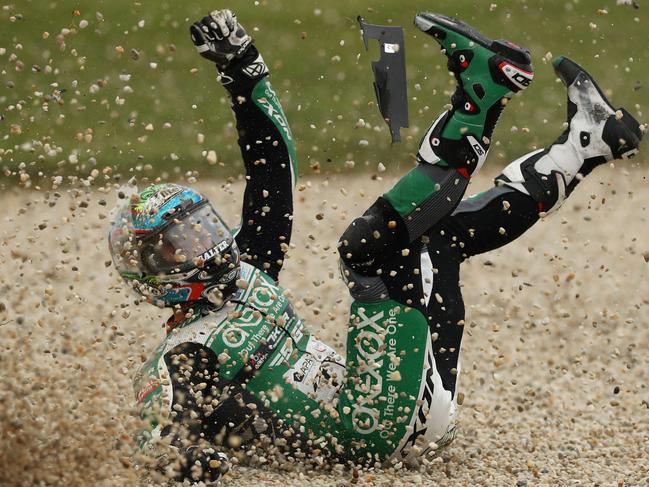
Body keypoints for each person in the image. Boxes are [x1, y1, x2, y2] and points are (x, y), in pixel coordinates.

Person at [108, 9, 643, 484]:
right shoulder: (187, 352)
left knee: (437, 238)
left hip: (401, 406)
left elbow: (271, 168)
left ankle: (583, 146)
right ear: (156, 275)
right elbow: (159, 432)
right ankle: (478, 96)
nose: (206, 245)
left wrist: (241, 68)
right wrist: (180, 458)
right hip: (371, 428)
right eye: (180, 244)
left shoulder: (248, 275)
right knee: (367, 252)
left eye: (202, 226)